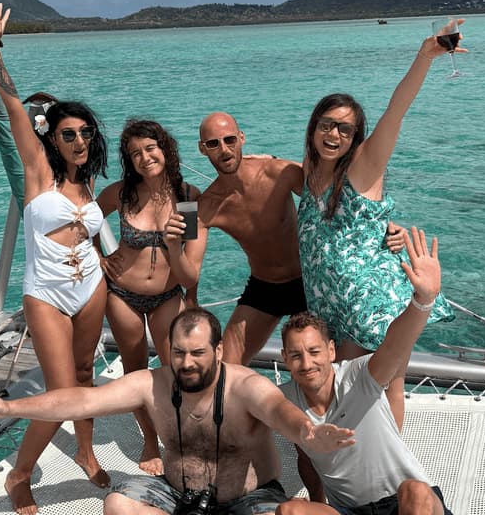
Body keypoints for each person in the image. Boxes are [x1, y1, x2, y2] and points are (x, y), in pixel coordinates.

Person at [0, 307, 357, 515]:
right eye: (178, 353)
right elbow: (81, 399)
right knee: (117, 504)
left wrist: (306, 432)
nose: (188, 363)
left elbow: (278, 410)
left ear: (217, 351)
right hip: (177, 496)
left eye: (198, 353)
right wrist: (8, 406)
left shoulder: (245, 385)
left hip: (247, 502)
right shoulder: (153, 384)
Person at [0, 3, 110, 514]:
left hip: (92, 285)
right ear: (51, 139)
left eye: (85, 133)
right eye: (68, 134)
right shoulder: (40, 173)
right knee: (60, 392)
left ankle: (83, 449)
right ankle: (20, 474)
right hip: (48, 295)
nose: (79, 140)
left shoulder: (87, 180)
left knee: (84, 372)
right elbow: (12, 105)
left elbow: (88, 233)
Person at [298, 31, 461, 428]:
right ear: (314, 127)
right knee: (350, 390)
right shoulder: (310, 172)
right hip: (331, 304)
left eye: (346, 130)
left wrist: (425, 56)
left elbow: (396, 111)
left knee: (382, 388)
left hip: (368, 301)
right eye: (327, 125)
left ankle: (389, 472)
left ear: (357, 138)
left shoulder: (362, 167)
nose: (334, 135)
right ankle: (361, 463)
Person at [196, 113, 405, 367]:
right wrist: (175, 233)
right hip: (264, 287)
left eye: (229, 140)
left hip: (310, 282)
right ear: (202, 149)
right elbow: (187, 270)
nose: (224, 149)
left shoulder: (277, 172)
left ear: (242, 139)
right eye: (213, 144)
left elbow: (338, 196)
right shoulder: (205, 206)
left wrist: (384, 227)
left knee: (322, 366)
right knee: (224, 367)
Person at [277, 227, 453, 515]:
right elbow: (305, 456)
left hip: (403, 504)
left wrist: (423, 301)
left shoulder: (359, 376)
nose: (307, 364)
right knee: (291, 511)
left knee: (415, 490)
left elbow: (396, 343)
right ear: (284, 358)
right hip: (351, 511)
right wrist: (317, 500)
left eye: (314, 352)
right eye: (296, 356)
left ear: (332, 351)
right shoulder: (284, 399)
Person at [96, 118, 207, 476]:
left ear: (165, 149)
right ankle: (149, 440)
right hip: (122, 295)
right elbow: (86, 219)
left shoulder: (187, 199)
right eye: (135, 154)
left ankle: (181, 439)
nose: (144, 158)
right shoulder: (122, 193)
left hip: (167, 297)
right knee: (135, 372)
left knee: (178, 371)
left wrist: (192, 300)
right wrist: (96, 256)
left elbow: (189, 270)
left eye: (150, 148)